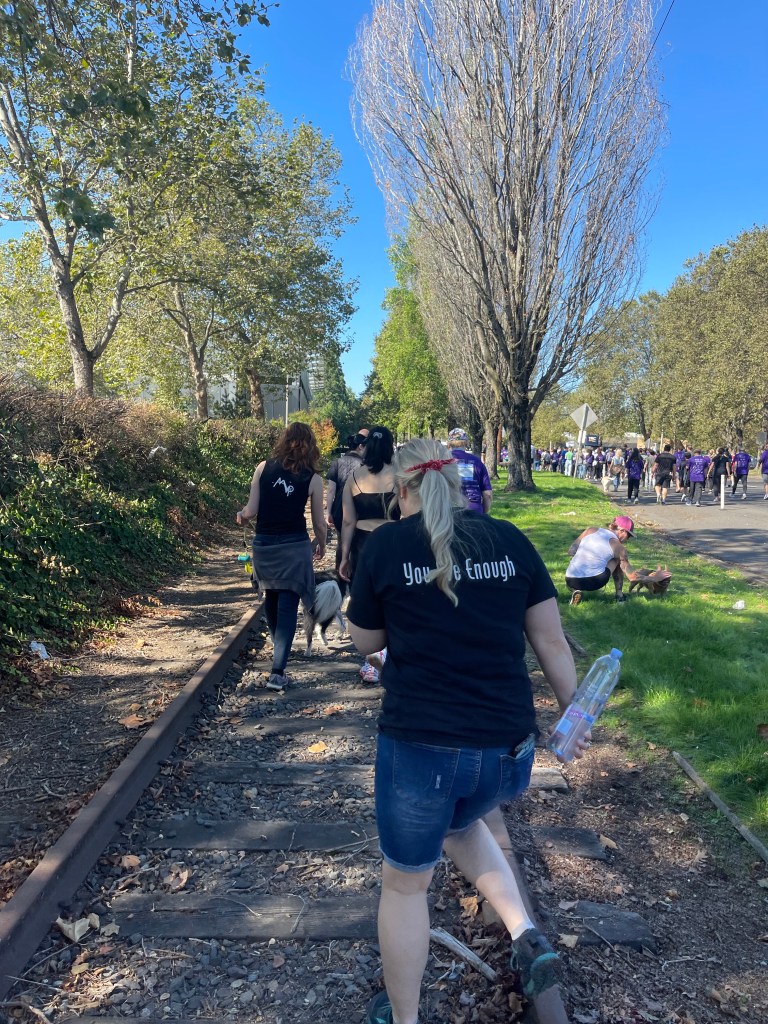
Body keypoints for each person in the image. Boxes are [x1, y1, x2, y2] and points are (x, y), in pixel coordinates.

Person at [345, 438, 586, 1024]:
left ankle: (404, 1018)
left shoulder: (388, 545)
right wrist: (574, 715)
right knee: (458, 821)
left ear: (401, 490)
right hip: (508, 754)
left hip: (420, 752)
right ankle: (526, 932)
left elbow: (365, 642)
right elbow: (551, 641)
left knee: (405, 887)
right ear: (458, 484)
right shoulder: (509, 540)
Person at [236, 422, 326, 690]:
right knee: (287, 603)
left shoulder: (263, 468)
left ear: (284, 441)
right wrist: (321, 544)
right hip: (294, 547)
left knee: (271, 598)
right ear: (310, 445)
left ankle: (279, 653)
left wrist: (241, 516)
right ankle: (277, 671)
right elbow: (319, 523)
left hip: (264, 546)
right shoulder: (313, 478)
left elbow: (251, 510)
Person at [339, 426, 400, 683]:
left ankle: (372, 659)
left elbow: (348, 521)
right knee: (394, 599)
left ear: (367, 447)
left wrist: (344, 556)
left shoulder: (354, 478)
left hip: (363, 545)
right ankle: (392, 652)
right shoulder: (401, 477)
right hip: (395, 542)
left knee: (366, 599)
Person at [565, 515, 669, 606]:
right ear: (622, 530)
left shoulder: (590, 530)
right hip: (595, 581)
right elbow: (632, 577)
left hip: (570, 579)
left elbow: (571, 551)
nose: (628, 539)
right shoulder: (619, 548)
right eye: (629, 535)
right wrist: (654, 578)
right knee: (617, 560)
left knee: (582, 562)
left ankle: (576, 590)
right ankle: (619, 595)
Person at [325, 428, 369, 594]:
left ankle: (341, 578)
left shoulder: (337, 463)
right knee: (356, 544)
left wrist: (328, 511)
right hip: (358, 510)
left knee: (341, 543)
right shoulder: (364, 465)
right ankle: (355, 580)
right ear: (360, 447)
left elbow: (331, 490)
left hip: (338, 510)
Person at [446, 427, 493, 512]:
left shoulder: (441, 462)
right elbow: (488, 495)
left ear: (449, 443)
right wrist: (483, 514)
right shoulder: (477, 462)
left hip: (448, 511)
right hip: (474, 511)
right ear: (466, 442)